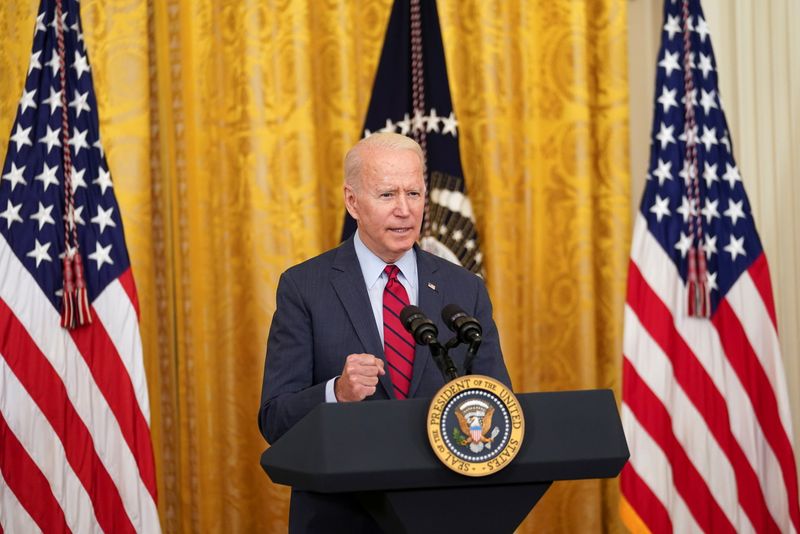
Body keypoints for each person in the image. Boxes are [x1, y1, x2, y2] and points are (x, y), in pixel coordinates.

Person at [258, 132, 511, 532]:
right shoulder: (305, 287)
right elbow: (274, 420)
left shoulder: (464, 289)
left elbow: (500, 406)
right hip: (343, 519)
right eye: (387, 195)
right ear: (352, 201)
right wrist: (336, 393)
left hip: (445, 514)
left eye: (414, 193)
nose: (405, 210)